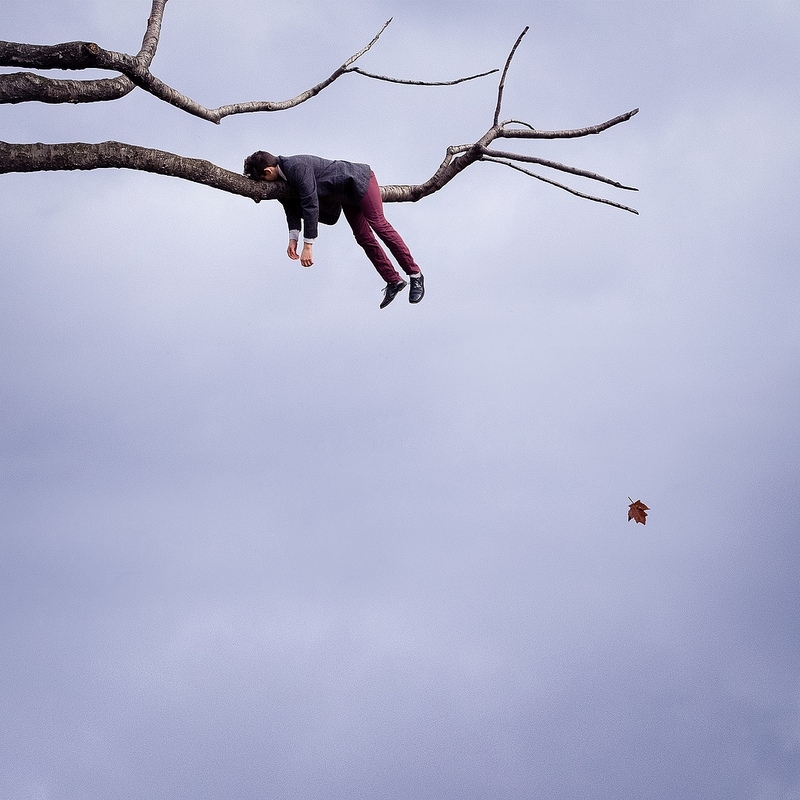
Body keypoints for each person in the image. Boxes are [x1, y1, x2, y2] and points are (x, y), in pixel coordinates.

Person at [244, 151, 424, 308]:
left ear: (267, 171)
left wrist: (308, 246)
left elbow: (311, 204)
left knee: (379, 225)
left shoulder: (295, 167)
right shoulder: (283, 177)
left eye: (262, 179)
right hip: (345, 196)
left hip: (360, 181)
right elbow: (290, 205)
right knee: (363, 237)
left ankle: (415, 275)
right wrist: (293, 238)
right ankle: (393, 280)